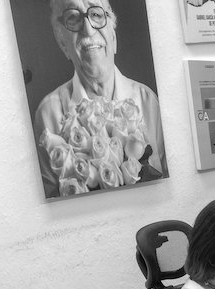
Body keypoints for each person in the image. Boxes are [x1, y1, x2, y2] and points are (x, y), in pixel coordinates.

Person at [35, 0, 167, 198]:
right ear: (62, 42)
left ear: (113, 37)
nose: (88, 29)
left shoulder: (147, 100)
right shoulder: (48, 113)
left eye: (97, 15)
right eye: (73, 18)